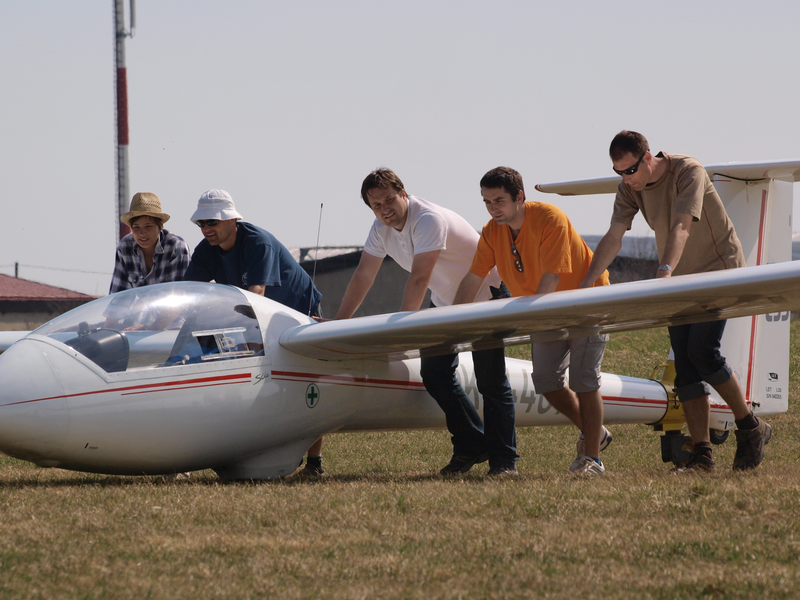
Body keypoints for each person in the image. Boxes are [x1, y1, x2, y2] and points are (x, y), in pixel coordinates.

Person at [579, 130, 771, 472]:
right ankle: (702, 454)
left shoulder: (687, 171)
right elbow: (614, 236)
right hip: (679, 280)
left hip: (718, 270)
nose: (626, 178)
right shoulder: (629, 188)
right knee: (684, 366)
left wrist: (664, 271)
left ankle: (750, 426)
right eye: (619, 172)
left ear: (648, 157)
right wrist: (585, 283)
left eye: (630, 170)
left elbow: (682, 226)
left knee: (703, 353)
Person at [333, 168, 518, 477]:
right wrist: (339, 323)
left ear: (403, 194)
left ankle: (504, 461)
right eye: (376, 205)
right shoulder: (380, 229)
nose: (385, 209)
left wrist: (405, 329)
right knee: (435, 373)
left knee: (490, 380)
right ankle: (473, 443)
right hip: (445, 302)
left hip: (486, 293)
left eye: (389, 200)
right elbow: (364, 274)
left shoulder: (428, 219)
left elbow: (420, 277)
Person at [454, 166, 612, 476]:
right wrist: (452, 320)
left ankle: (592, 459)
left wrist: (528, 319)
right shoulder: (491, 231)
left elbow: (551, 278)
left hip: (585, 304)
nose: (493, 209)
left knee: (584, 381)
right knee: (546, 382)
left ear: (519, 197)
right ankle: (595, 431)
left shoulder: (550, 217)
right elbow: (474, 276)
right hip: (542, 311)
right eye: (487, 202)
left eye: (499, 201)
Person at [182, 189, 322, 315]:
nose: (206, 229)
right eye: (201, 223)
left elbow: (257, 296)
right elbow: (186, 293)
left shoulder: (258, 243)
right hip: (262, 316)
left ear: (232, 219)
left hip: (302, 311)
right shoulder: (204, 252)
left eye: (212, 222)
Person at [109, 192, 190, 294]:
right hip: (137, 305)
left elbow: (179, 295)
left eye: (148, 226)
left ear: (160, 225)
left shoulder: (176, 247)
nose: (142, 233)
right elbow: (118, 296)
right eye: (136, 227)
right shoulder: (125, 247)